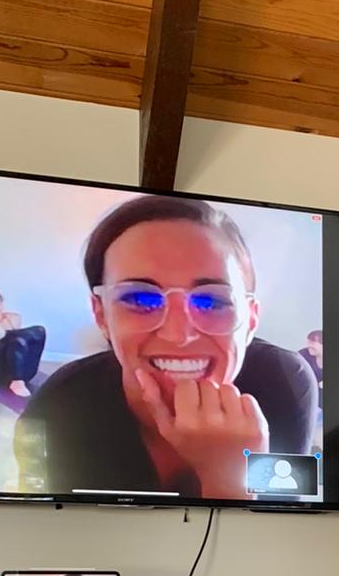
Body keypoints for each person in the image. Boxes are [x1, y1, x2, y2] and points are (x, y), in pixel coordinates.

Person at [16, 196, 317, 500]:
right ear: (101, 315)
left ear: (250, 320)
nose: (178, 335)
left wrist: (231, 480)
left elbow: (280, 519)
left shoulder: (285, 384)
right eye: (139, 299)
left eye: (211, 302)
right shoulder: (58, 411)